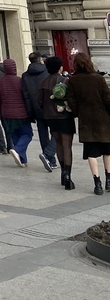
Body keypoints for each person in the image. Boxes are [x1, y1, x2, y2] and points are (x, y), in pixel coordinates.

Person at [65, 52, 110, 195]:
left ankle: (97, 184)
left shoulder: (73, 80)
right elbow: (107, 98)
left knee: (91, 153)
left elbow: (71, 101)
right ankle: (109, 180)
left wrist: (78, 112)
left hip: (86, 121)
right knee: (107, 152)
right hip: (103, 119)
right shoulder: (99, 79)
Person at [38, 55, 76, 189]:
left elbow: (40, 102)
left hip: (50, 118)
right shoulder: (65, 81)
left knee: (58, 144)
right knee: (67, 146)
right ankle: (68, 176)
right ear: (60, 67)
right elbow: (71, 99)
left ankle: (62, 173)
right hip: (64, 117)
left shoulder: (43, 83)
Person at [21, 51, 57, 173]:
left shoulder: (25, 76)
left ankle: (50, 160)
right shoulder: (47, 72)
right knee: (56, 132)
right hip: (50, 107)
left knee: (43, 135)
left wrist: (30, 113)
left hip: (36, 109)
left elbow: (26, 96)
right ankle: (48, 155)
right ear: (40, 59)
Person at [0, 59, 32, 167]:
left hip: (6, 113)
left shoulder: (0, 82)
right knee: (27, 134)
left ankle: (22, 160)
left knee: (15, 135)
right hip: (21, 113)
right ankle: (18, 150)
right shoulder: (19, 81)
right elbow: (26, 97)